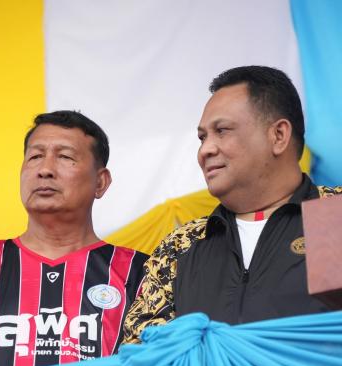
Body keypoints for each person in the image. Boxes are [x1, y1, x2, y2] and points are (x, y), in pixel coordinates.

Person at [123, 66, 342, 343]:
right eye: (202, 137)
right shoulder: (181, 245)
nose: (205, 150)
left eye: (222, 130)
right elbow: (144, 352)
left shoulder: (334, 215)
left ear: (278, 135)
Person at [0, 110, 148, 366]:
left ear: (100, 182)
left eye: (65, 157)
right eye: (35, 156)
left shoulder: (143, 272)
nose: (45, 170)